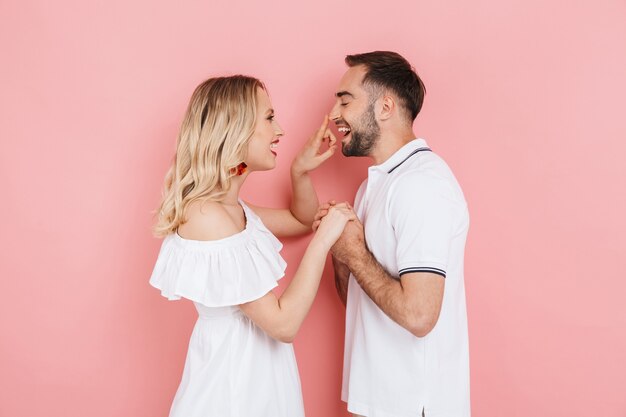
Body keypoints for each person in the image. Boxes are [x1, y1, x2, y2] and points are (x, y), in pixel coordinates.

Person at [149, 75, 355, 417]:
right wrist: (325, 240)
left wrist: (299, 171)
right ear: (237, 128)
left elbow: (299, 219)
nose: (281, 131)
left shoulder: (232, 209)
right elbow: (283, 324)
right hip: (230, 397)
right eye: (270, 118)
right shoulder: (207, 217)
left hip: (255, 388)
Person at [314, 51, 471, 417]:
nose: (334, 115)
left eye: (345, 100)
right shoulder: (374, 186)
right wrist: (342, 252)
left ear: (385, 107)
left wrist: (353, 252)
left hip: (416, 406)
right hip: (379, 401)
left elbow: (418, 316)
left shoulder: (421, 185)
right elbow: (362, 301)